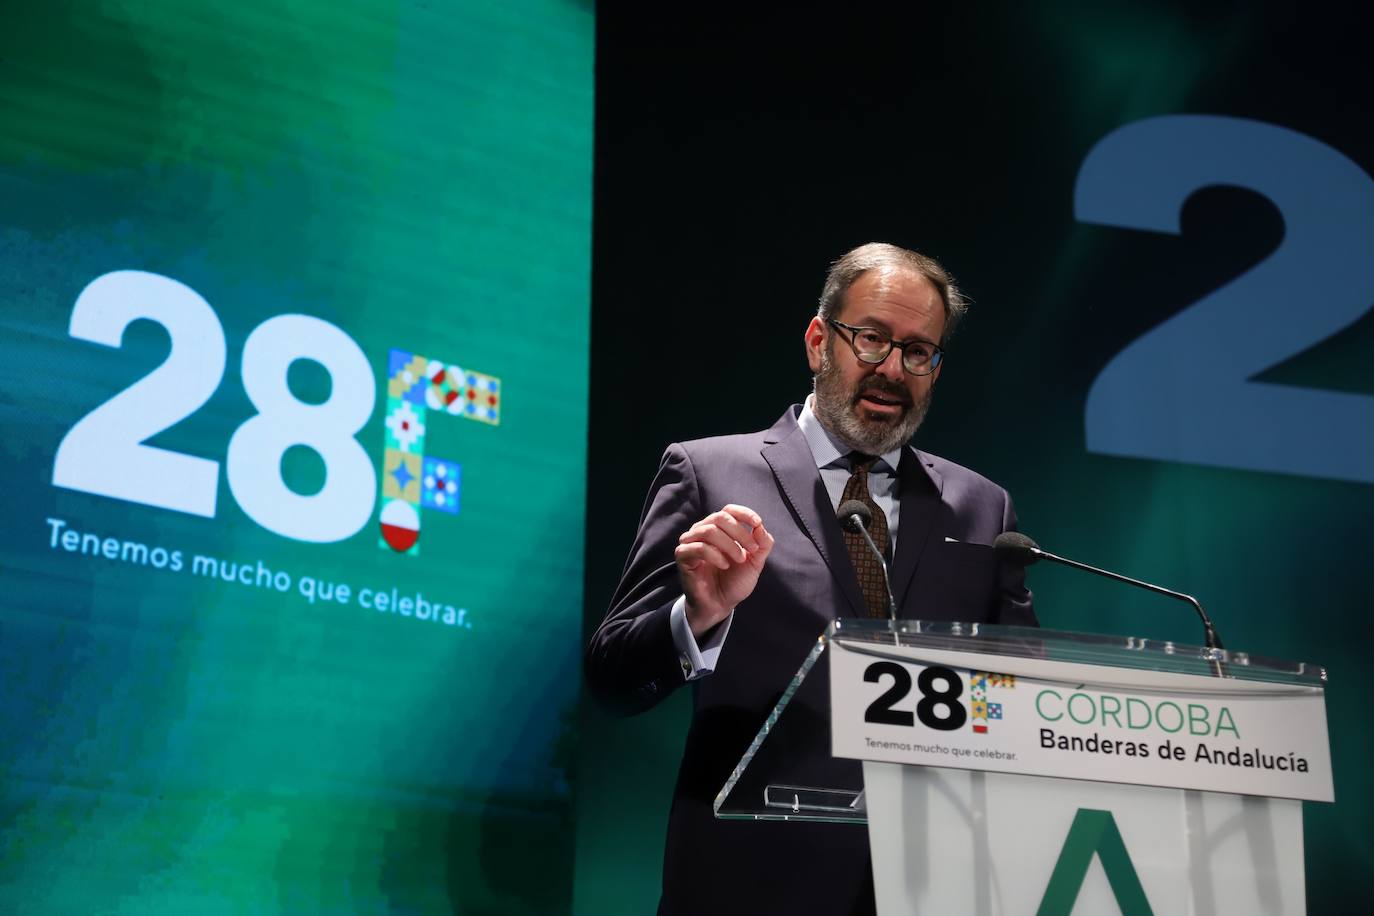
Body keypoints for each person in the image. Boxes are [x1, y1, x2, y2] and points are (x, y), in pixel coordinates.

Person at [585, 242, 1037, 915]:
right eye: (872, 339)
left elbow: (1022, 699)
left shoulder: (981, 508)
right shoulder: (710, 473)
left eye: (919, 352)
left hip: (932, 887)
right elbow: (612, 680)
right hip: (750, 883)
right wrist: (696, 619)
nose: (892, 369)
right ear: (819, 341)